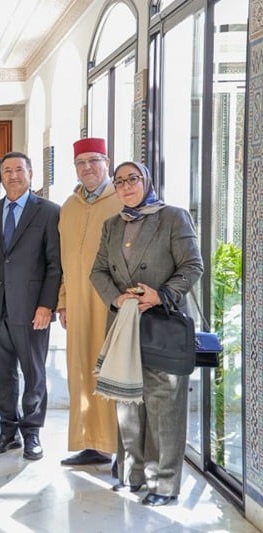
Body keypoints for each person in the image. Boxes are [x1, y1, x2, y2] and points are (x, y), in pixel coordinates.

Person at [90, 161, 203, 506]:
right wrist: (116, 297)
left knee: (163, 406)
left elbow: (192, 265)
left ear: (147, 181)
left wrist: (162, 294)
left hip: (162, 323)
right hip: (124, 325)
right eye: (119, 181)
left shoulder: (173, 217)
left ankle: (163, 484)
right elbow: (98, 271)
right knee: (127, 404)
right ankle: (132, 476)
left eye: (133, 179)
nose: (126, 186)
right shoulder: (112, 224)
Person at [0, 151, 61, 461]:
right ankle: (7, 431)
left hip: (32, 309)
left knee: (33, 374)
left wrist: (46, 305)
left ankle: (32, 432)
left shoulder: (49, 211)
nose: (13, 175)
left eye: (19, 170)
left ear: (30, 174)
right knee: (3, 375)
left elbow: (55, 264)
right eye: (7, 170)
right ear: (0, 176)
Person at [58, 138, 122, 467]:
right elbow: (64, 261)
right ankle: (91, 443)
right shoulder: (69, 206)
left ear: (106, 162)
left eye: (94, 161)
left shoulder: (122, 201)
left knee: (114, 374)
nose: (87, 168)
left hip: (112, 306)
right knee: (82, 373)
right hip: (78, 307)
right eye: (81, 163)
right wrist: (63, 301)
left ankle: (120, 445)